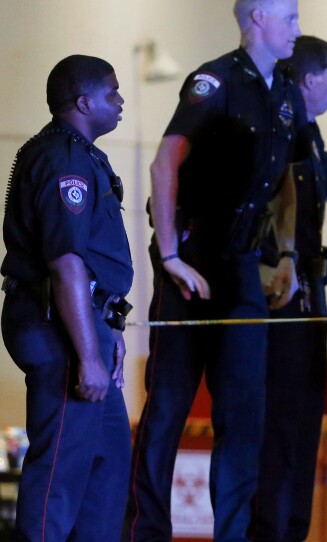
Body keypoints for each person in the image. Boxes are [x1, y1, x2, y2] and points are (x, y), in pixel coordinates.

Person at [125, 0, 302, 539]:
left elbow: (288, 182)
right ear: (257, 20)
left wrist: (289, 253)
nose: (297, 28)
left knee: (243, 415)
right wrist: (171, 256)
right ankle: (146, 531)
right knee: (170, 407)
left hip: (244, 266)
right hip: (194, 264)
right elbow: (164, 161)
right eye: (289, 18)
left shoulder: (288, 93)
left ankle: (233, 535)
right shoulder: (215, 80)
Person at [1, 54, 132, 540]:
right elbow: (66, 264)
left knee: (108, 461)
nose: (121, 101)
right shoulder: (64, 160)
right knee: (60, 469)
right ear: (83, 102)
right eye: (112, 93)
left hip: (87, 324)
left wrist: (107, 332)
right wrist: (88, 355)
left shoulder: (81, 153)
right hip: (58, 326)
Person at [250, 35, 327, 541]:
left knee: (304, 424)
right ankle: (270, 530)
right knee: (279, 427)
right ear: (312, 79)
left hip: (311, 298)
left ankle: (291, 529)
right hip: (278, 298)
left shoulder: (311, 134)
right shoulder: (278, 128)